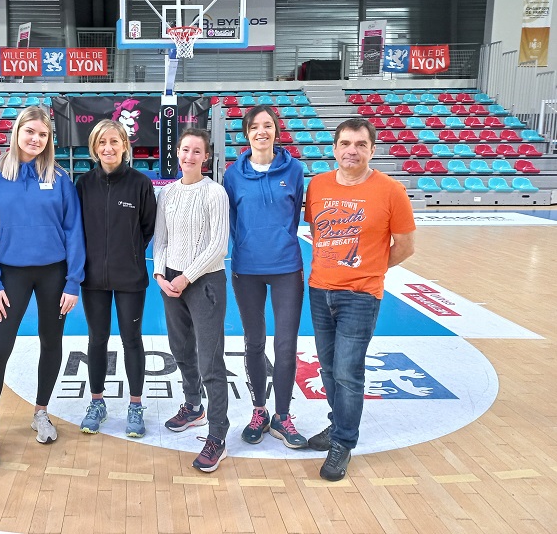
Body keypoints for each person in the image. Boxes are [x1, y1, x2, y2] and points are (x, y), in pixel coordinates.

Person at [303, 117, 416, 482]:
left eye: (360, 145)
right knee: (328, 368)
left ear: (372, 150)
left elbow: (405, 247)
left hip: (361, 295)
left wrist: (370, 271)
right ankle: (338, 425)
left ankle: (343, 443)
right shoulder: (318, 185)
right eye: (346, 144)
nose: (352, 151)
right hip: (320, 290)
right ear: (334, 148)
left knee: (349, 373)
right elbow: (318, 232)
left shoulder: (390, 191)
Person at [0, 106, 84, 467]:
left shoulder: (60, 178)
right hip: (9, 277)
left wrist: (73, 281)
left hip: (54, 274)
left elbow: (73, 231)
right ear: (17, 131)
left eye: (43, 134)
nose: (36, 139)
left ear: (49, 139)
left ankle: (41, 411)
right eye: (30, 131)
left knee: (52, 343)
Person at [222, 105, 308, 449]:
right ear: (246, 133)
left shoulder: (295, 170)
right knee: (254, 343)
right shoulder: (232, 175)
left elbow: (297, 215)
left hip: (287, 267)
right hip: (247, 270)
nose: (262, 131)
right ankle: (259, 411)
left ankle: (282, 416)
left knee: (286, 346)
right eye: (255, 126)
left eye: (268, 126)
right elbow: (231, 220)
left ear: (276, 131)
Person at [153, 127, 230, 472]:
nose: (189, 156)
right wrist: (160, 275)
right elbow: (160, 240)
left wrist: (185, 277)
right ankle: (193, 406)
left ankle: (218, 435)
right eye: (185, 150)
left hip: (204, 283)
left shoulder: (215, 193)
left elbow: (217, 247)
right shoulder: (167, 194)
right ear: (178, 153)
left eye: (196, 151)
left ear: (206, 157)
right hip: (170, 281)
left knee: (210, 359)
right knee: (181, 349)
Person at [75, 119, 156, 438]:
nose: (108, 148)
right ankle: (97, 403)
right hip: (92, 278)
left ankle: (135, 405)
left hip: (130, 278)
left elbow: (148, 228)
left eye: (114, 141)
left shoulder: (140, 183)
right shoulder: (82, 184)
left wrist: (130, 253)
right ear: (94, 148)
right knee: (97, 340)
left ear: (125, 145)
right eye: (101, 143)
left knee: (131, 340)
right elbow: (75, 230)